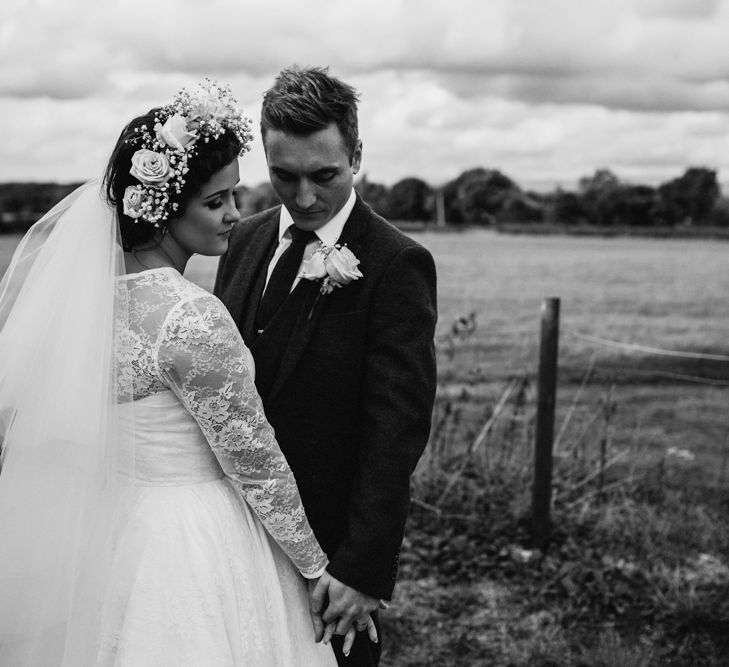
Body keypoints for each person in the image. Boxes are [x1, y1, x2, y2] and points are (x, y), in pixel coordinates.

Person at [0, 81, 366, 666]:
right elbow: (256, 464)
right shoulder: (187, 315)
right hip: (193, 543)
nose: (235, 214)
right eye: (215, 201)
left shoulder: (88, 306)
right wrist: (317, 566)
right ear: (167, 209)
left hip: (113, 529)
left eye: (234, 195)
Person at [215, 66, 438, 666]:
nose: (305, 197)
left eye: (325, 176)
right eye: (284, 175)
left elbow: (397, 428)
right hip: (229, 535)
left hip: (328, 555)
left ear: (356, 155)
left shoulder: (397, 264)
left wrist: (362, 566)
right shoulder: (243, 239)